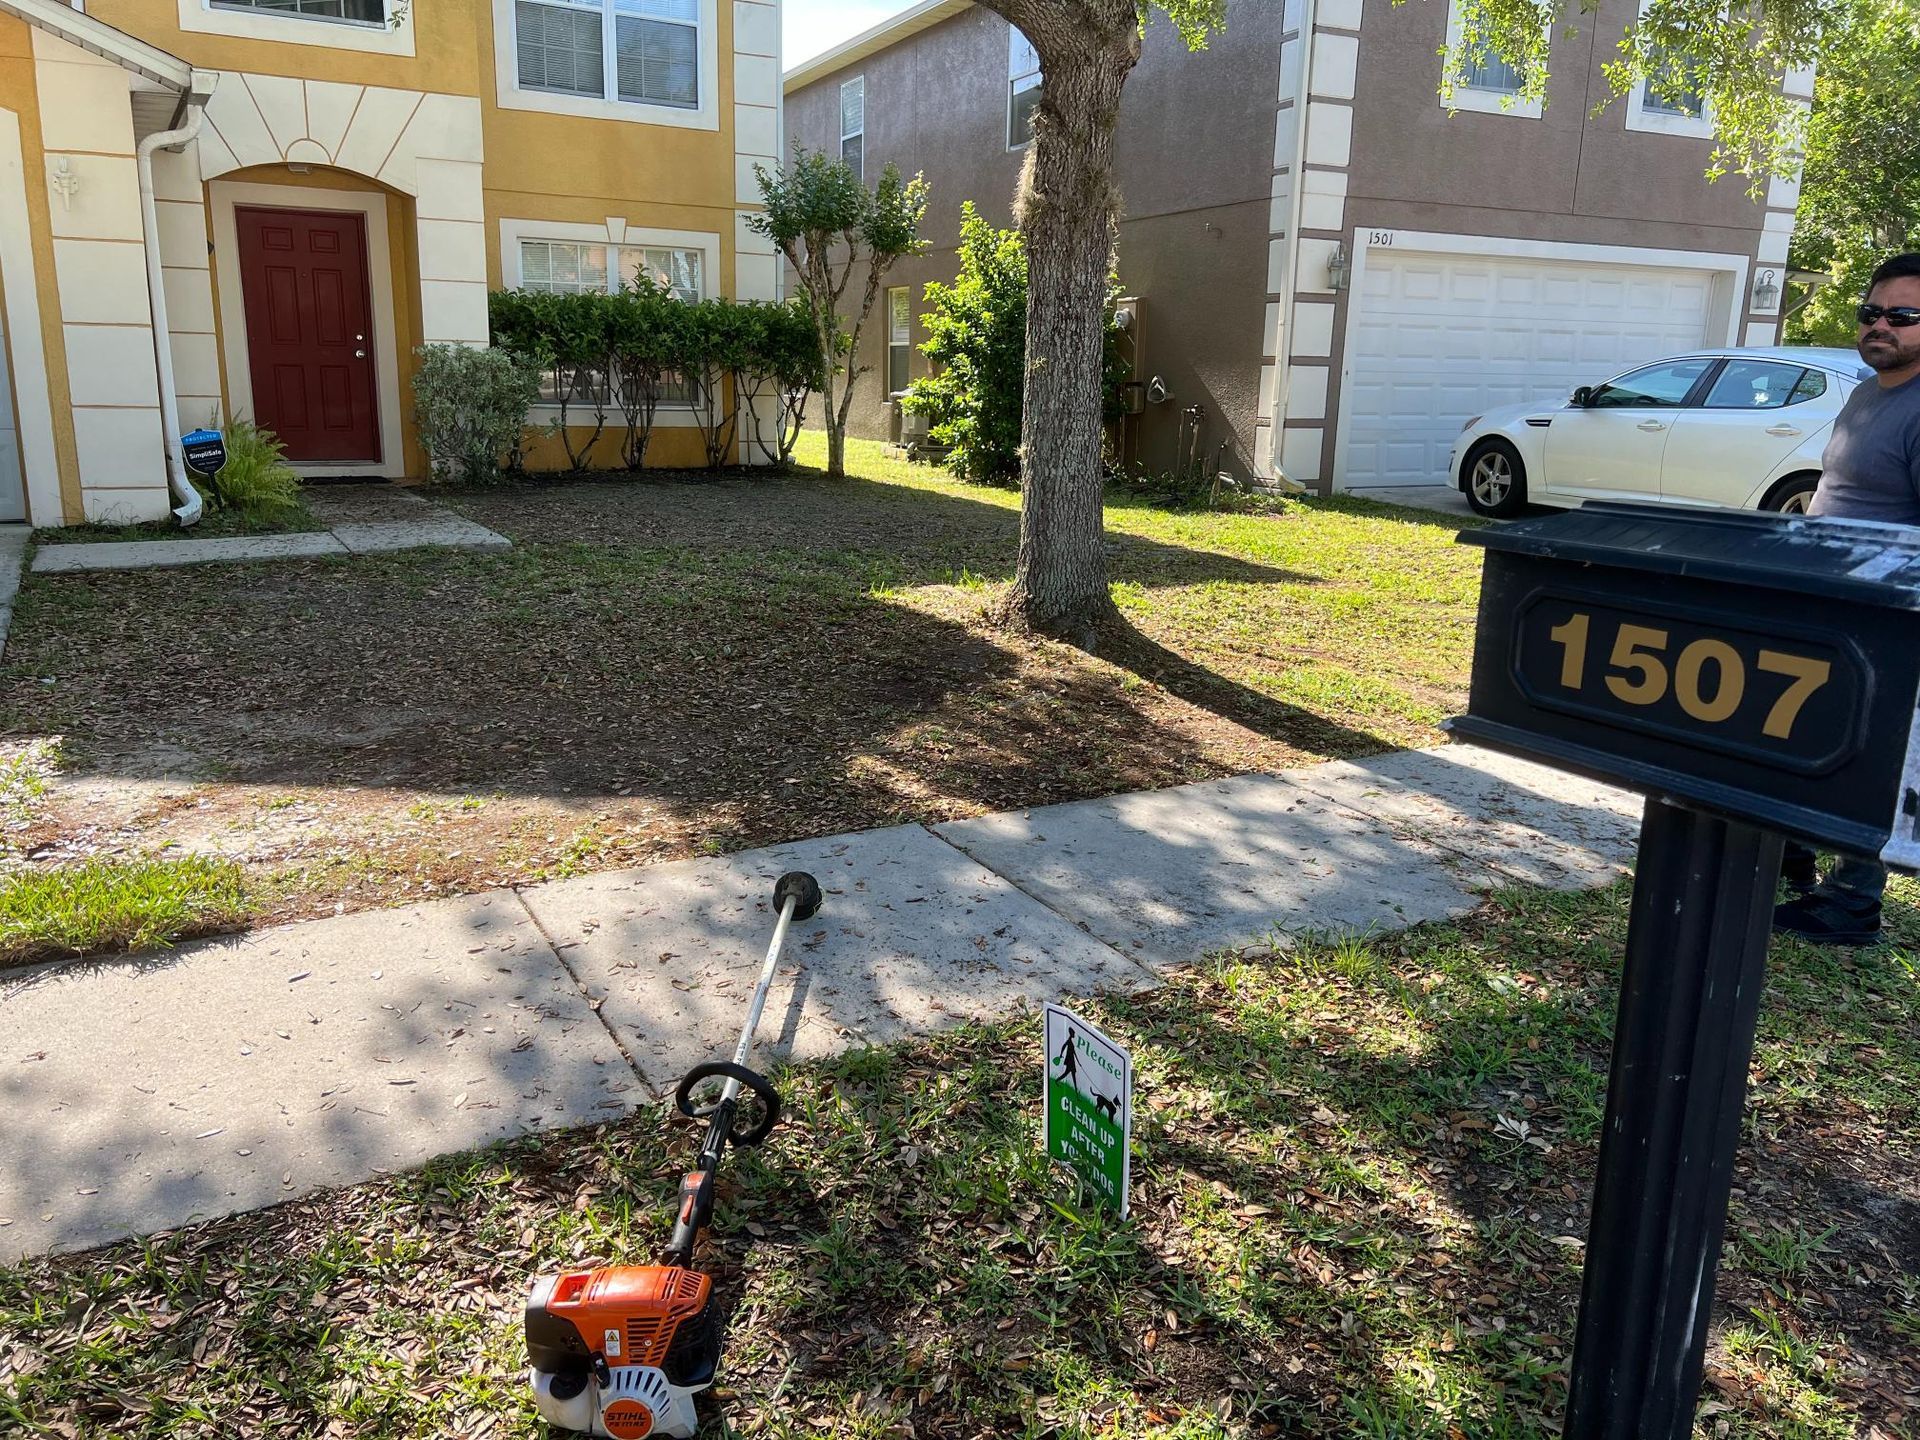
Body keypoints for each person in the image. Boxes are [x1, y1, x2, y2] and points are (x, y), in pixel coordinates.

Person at [1773, 251, 1920, 944]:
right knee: (1803, 726)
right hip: (1827, 602)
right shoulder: (1870, 392)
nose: (1880, 326)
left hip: (1883, 619)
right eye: (1872, 312)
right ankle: (1792, 850)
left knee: (1868, 753)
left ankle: (1853, 901)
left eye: (1902, 316)